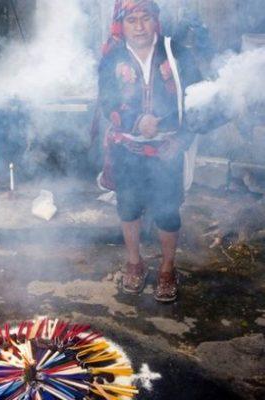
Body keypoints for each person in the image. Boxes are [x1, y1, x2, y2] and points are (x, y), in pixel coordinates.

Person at [91, 0, 201, 302]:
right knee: (128, 206)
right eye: (132, 20)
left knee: (167, 211)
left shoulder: (176, 53)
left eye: (145, 18)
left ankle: (167, 268)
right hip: (127, 148)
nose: (139, 27)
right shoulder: (111, 58)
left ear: (155, 20)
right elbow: (107, 104)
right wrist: (136, 122)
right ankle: (135, 262)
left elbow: (198, 99)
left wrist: (183, 138)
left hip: (168, 149)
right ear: (122, 24)